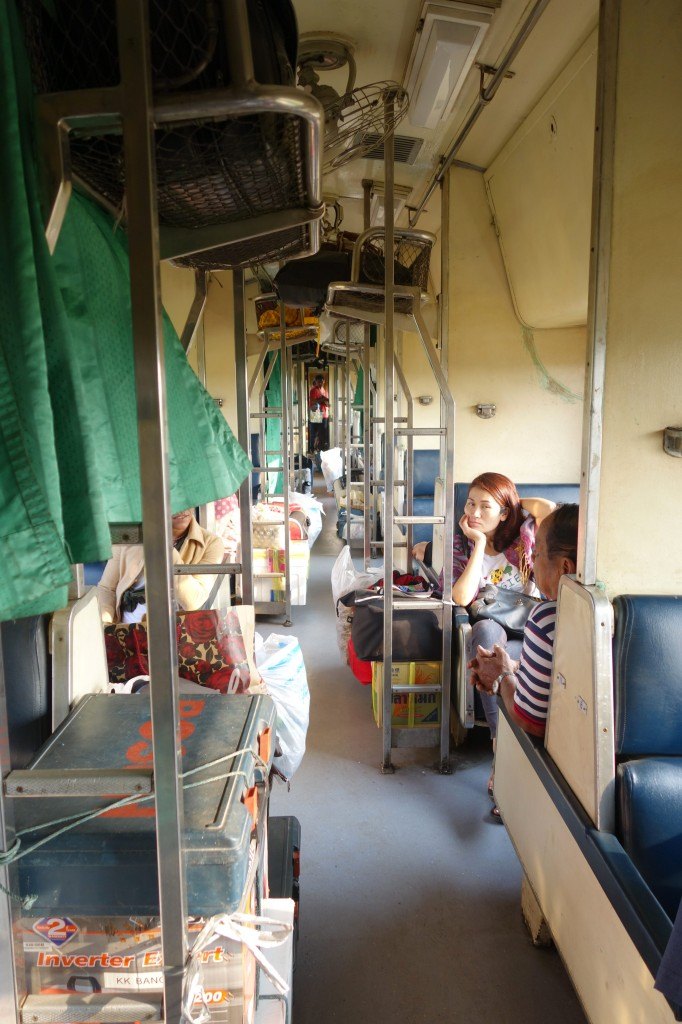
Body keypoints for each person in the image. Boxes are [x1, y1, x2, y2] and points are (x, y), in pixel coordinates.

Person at [467, 503, 579, 738]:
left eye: (536, 554)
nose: (532, 563)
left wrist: (502, 676)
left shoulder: (547, 619)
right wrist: (513, 666)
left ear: (564, 567)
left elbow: (530, 720)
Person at [97, 509, 224, 624]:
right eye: (173, 500)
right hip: (127, 631)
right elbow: (107, 588)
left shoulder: (211, 543)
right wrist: (107, 627)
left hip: (176, 634)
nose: (183, 509)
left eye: (187, 500)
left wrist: (165, 546)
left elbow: (193, 601)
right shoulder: (131, 533)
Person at [308, 374, 329, 454]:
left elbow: (327, 402)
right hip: (316, 413)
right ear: (316, 382)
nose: (320, 383)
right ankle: (312, 449)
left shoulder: (325, 390)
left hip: (324, 413)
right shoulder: (313, 390)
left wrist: (324, 400)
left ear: (324, 381)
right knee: (314, 433)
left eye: (321, 381)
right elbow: (313, 401)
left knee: (322, 433)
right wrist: (322, 399)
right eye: (318, 381)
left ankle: (320, 450)